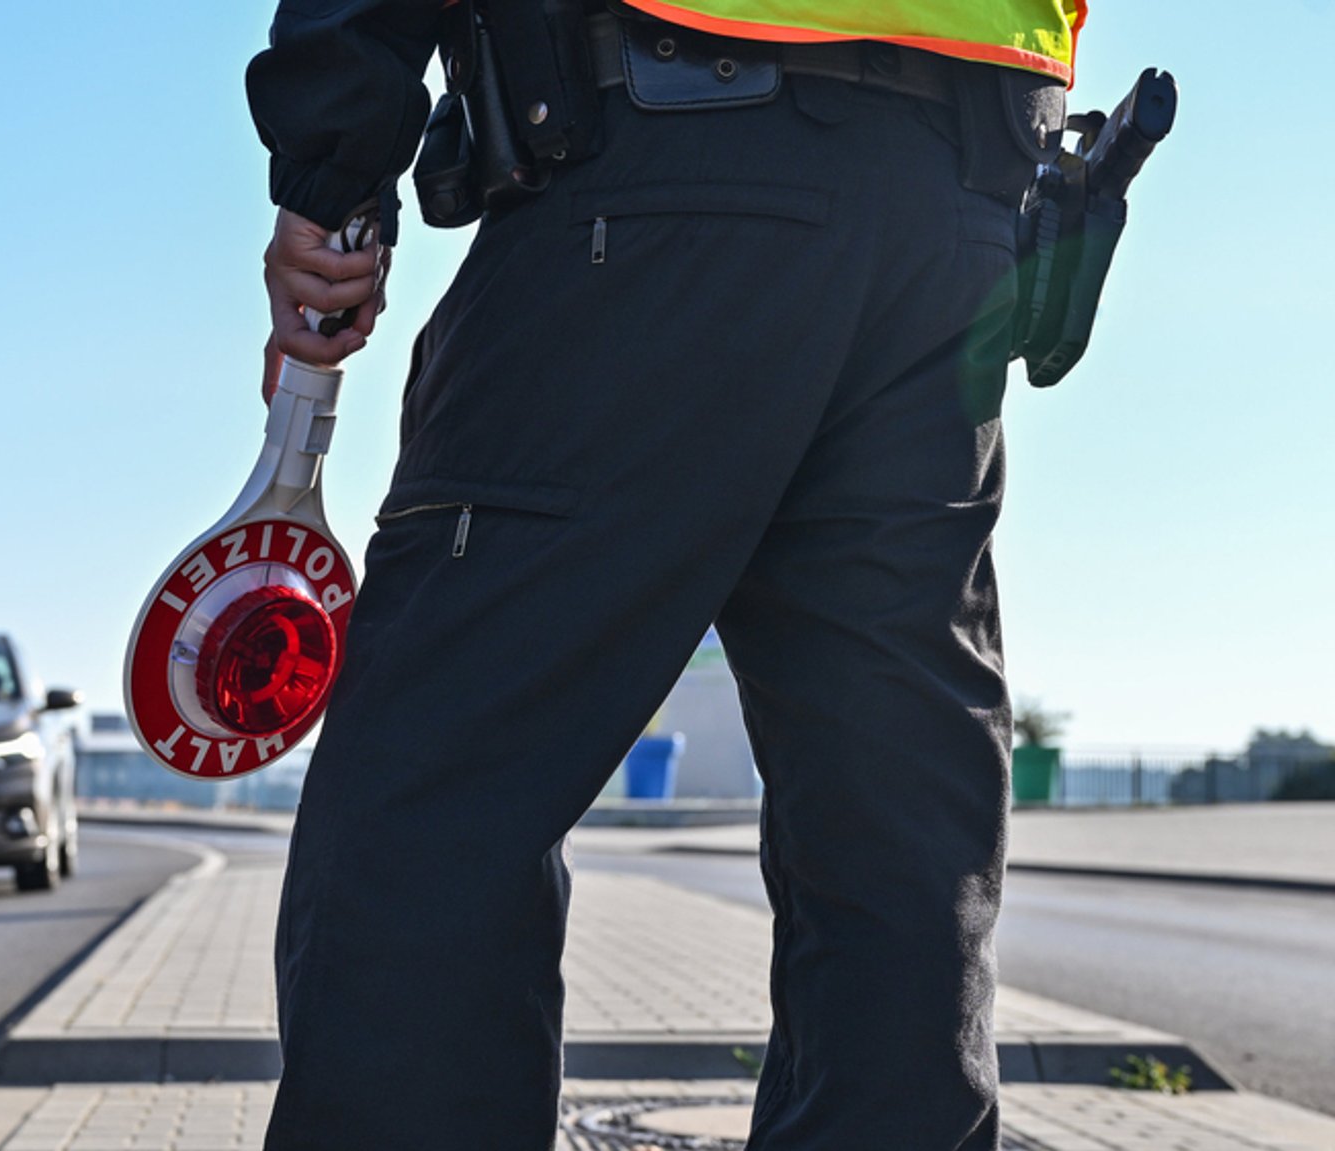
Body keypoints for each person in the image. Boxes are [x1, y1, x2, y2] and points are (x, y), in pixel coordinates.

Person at [246, 1, 1082, 1148]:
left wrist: (332, 175)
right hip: (951, 226)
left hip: (654, 171)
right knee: (892, 838)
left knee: (436, 805)